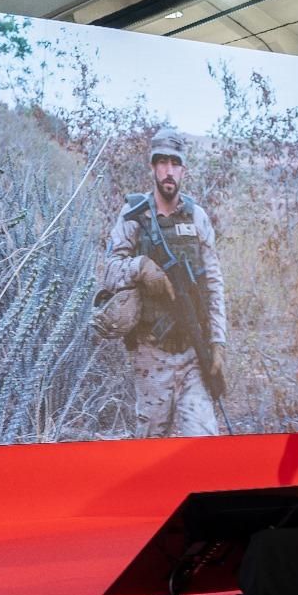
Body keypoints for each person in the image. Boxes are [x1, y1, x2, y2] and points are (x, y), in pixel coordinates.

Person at [101, 128, 230, 438]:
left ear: (183, 168)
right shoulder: (133, 216)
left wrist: (218, 343)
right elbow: (107, 271)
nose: (168, 170)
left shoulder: (196, 217)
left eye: (175, 163)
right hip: (151, 356)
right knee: (150, 450)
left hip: (191, 354)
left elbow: (214, 283)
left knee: (204, 445)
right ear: (152, 166)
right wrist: (142, 267)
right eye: (162, 162)